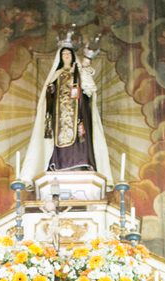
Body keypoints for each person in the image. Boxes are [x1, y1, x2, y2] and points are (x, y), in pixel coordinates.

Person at [21, 35, 111, 180]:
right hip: (59, 116)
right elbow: (47, 96)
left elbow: (89, 89)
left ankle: (81, 162)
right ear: (60, 57)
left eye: (69, 54)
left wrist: (85, 67)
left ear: (73, 56)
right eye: (63, 54)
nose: (66, 56)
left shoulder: (79, 72)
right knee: (58, 137)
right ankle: (58, 163)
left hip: (79, 113)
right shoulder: (56, 75)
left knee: (80, 136)